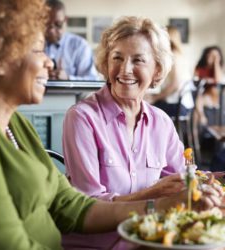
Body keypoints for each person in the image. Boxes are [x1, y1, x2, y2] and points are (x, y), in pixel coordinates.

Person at [0, 2, 222, 249]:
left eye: (138, 59)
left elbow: (69, 205)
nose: (49, 61)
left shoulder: (15, 123)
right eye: (37, 49)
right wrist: (157, 200)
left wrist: (164, 204)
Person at [62, 16, 199, 249]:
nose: (125, 70)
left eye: (138, 60)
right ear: (106, 63)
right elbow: (88, 206)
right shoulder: (82, 118)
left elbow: (185, 180)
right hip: (98, 245)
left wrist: (219, 180)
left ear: (156, 69)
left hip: (149, 240)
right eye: (117, 58)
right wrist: (154, 193)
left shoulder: (162, 122)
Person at [45, 0, 99, 80]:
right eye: (47, 25)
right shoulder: (32, 44)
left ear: (65, 20)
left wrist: (68, 78)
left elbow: (92, 79)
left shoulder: (80, 46)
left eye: (58, 24)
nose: (52, 30)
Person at [146, 25, 194, 117]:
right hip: (183, 104)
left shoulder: (174, 57)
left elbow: (174, 85)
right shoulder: (179, 55)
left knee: (144, 108)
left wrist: (155, 97)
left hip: (178, 106)